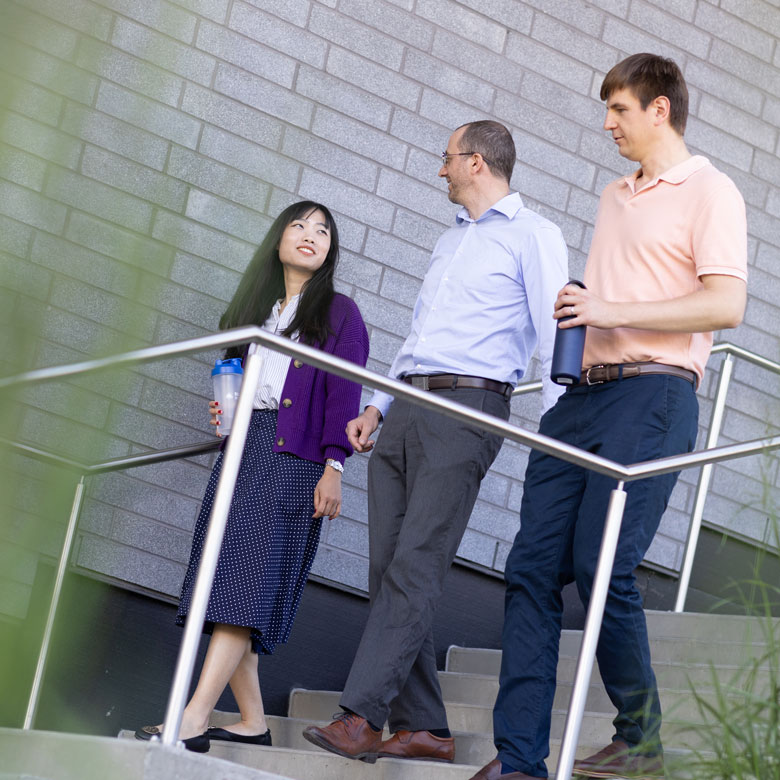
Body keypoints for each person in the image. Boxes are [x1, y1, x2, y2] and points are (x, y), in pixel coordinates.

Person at [469, 54, 748, 780]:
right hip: (582, 397)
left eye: (620, 109)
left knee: (600, 566)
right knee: (530, 567)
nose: (608, 123)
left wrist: (609, 308)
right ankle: (519, 760)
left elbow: (726, 305)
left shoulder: (711, 191)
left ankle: (641, 737)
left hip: (654, 396)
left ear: (661, 109)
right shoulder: (614, 195)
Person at [302, 120, 568, 764]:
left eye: (447, 158)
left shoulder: (535, 236)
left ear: (476, 163)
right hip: (410, 405)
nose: (440, 169)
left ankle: (361, 716)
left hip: (469, 408)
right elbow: (419, 336)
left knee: (416, 563)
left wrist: (558, 435)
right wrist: (378, 405)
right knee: (387, 566)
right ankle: (428, 727)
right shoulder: (450, 244)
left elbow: (556, 331)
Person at [135, 201, 369, 753]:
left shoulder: (340, 313)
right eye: (299, 226)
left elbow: (345, 395)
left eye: (323, 231)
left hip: (294, 462)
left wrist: (335, 465)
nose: (311, 236)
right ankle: (253, 722)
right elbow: (236, 383)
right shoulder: (256, 312)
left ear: (330, 249)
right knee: (227, 582)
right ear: (278, 239)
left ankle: (191, 718)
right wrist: (226, 414)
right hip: (242, 453)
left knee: (244, 586)